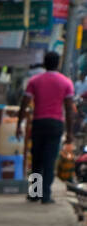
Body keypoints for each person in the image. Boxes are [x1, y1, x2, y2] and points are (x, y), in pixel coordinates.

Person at [18, 51, 76, 203]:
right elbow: (69, 109)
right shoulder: (65, 82)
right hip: (55, 124)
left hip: (38, 123)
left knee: (36, 160)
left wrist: (19, 124)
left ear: (44, 63)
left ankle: (34, 193)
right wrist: (69, 132)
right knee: (49, 161)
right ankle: (46, 195)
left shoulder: (35, 81)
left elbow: (24, 103)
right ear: (58, 64)